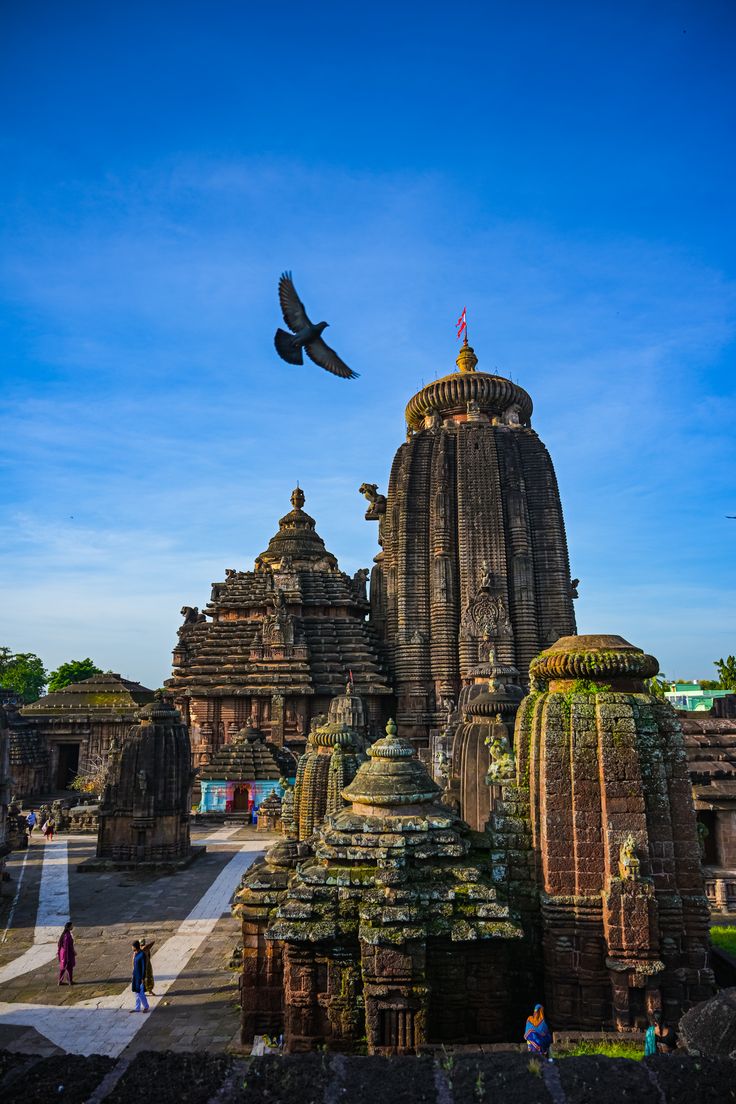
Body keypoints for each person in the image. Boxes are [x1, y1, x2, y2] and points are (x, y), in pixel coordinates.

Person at [130, 940, 149, 1013]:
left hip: (140, 977)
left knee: (140, 993)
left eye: (132, 946)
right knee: (136, 992)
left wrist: (143, 978)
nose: (131, 947)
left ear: (135, 947)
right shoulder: (135, 954)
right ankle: (137, 1008)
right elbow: (134, 966)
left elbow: (143, 967)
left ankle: (146, 1006)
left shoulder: (142, 955)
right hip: (135, 976)